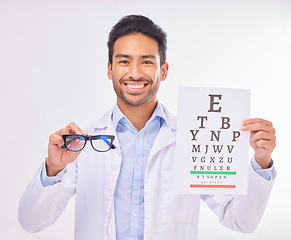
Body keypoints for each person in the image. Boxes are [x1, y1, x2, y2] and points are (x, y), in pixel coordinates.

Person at [18, 15, 276, 240]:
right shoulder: (82, 144)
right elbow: (32, 222)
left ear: (163, 71)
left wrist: (261, 161)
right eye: (123, 61)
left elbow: (240, 221)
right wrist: (54, 168)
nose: (135, 73)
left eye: (147, 62)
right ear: (110, 69)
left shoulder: (193, 141)